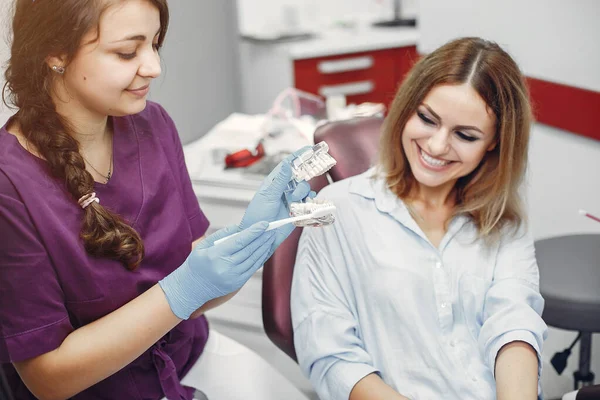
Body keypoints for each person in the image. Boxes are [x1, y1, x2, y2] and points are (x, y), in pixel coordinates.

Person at [0, 1, 312, 399]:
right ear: (56, 53)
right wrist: (181, 289)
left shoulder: (153, 125)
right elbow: (48, 377)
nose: (153, 68)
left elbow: (199, 290)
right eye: (127, 52)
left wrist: (253, 238)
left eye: (155, 45)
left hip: (187, 359)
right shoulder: (9, 185)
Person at [291, 37, 548, 400]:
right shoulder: (338, 211)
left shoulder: (502, 221)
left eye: (465, 135)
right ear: (407, 108)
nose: (438, 146)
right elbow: (332, 357)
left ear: (494, 143)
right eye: (427, 119)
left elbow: (514, 328)